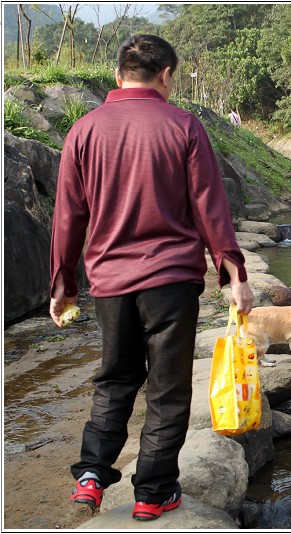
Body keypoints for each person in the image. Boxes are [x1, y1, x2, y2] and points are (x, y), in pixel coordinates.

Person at [49, 34, 254, 521]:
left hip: (110, 282)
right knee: (166, 387)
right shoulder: (183, 126)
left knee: (114, 379)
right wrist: (234, 274)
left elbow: (67, 217)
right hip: (171, 279)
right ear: (165, 75)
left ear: (118, 75)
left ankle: (92, 476)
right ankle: (154, 492)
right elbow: (210, 207)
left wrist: (62, 285)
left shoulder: (84, 130)